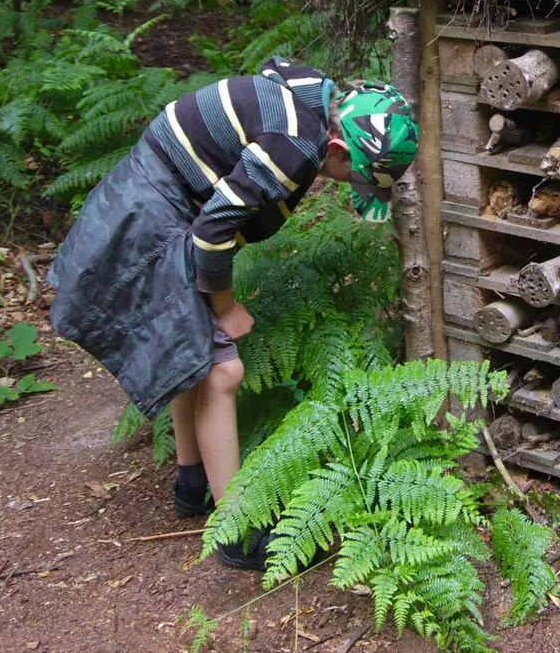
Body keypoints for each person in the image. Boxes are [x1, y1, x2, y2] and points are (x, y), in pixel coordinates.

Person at [46, 58, 417, 569]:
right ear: (335, 147)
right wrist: (226, 306)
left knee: (192, 357)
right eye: (351, 174)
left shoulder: (315, 97)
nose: (345, 183)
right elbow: (212, 233)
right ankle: (236, 531)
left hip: (154, 195)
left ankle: (191, 484)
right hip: (152, 215)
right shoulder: (293, 146)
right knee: (224, 371)